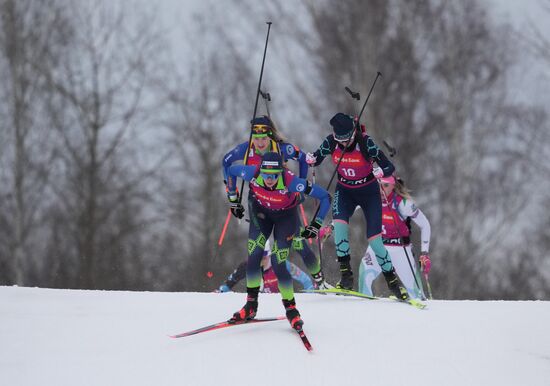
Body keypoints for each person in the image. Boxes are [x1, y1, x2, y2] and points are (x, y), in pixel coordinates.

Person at [306, 113, 409, 300]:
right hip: (345, 192)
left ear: (353, 134)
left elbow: (389, 166)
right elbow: (318, 157)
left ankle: (394, 284)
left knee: (375, 241)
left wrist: (380, 170)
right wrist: (312, 158)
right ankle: (346, 278)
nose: (344, 144)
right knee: (340, 230)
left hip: (369, 193)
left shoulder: (365, 143)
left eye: (347, 140)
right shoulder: (331, 142)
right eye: (340, 140)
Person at [222, 115, 332, 289]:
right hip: (258, 201)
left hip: (284, 203)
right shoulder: (245, 150)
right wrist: (233, 198)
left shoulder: (283, 149)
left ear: (270, 136)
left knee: (299, 244)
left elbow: (303, 159)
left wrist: (300, 185)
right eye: (256, 139)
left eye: (263, 139)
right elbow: (227, 165)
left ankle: (320, 281)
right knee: (257, 249)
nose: (259, 143)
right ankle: (252, 297)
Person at [224, 151, 330, 330]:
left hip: (286, 219)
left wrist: (316, 224)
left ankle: (292, 311)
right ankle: (251, 306)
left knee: (278, 262)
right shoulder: (252, 172)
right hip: (261, 215)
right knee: (254, 254)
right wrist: (233, 199)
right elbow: (230, 170)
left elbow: (325, 197)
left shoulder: (292, 182)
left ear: (280, 172)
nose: (269, 179)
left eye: (273, 175)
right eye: (266, 174)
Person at [358, 175, 431, 299]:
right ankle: (365, 307)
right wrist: (331, 227)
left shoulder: (403, 204)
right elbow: (345, 211)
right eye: (379, 185)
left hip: (401, 250)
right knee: (364, 276)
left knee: (417, 294)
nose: (381, 189)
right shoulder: (369, 199)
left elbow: (425, 225)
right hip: (378, 247)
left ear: (393, 186)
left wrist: (424, 252)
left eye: (385, 185)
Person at [217, 240, 315, 293]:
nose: (259, 261)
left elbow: (305, 280)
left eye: (263, 257)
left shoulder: (280, 264)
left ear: (269, 255)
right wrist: (219, 292)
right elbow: (229, 283)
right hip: (258, 305)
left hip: (281, 304)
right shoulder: (247, 266)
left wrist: (310, 292)